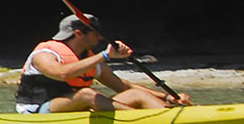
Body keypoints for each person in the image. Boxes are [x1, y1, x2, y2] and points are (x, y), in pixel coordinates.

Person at [14, 15, 191, 113]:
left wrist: (167, 97)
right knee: (86, 94)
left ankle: (170, 115)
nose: (100, 37)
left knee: (136, 94)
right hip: (38, 111)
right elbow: (62, 73)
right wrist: (105, 55)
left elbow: (123, 86)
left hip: (76, 109)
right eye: (96, 33)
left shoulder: (89, 58)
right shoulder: (45, 54)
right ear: (79, 33)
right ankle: (141, 119)